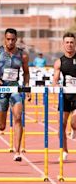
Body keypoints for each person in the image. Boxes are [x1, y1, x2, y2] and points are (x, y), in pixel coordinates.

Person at [0, 28, 30, 162]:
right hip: (1, 90)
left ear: (16, 40)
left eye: (13, 39)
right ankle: (2, 124)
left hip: (15, 88)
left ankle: (17, 152)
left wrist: (27, 87)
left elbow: (26, 72)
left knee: (18, 116)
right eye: (8, 39)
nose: (10, 42)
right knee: (1, 126)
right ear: (4, 39)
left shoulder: (22, 55)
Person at [52, 32, 76, 161]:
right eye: (67, 42)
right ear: (63, 44)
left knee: (74, 122)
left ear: (75, 43)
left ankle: (74, 128)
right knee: (61, 125)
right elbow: (55, 79)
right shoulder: (59, 62)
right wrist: (55, 85)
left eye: (72, 42)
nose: (69, 45)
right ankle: (64, 151)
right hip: (66, 97)